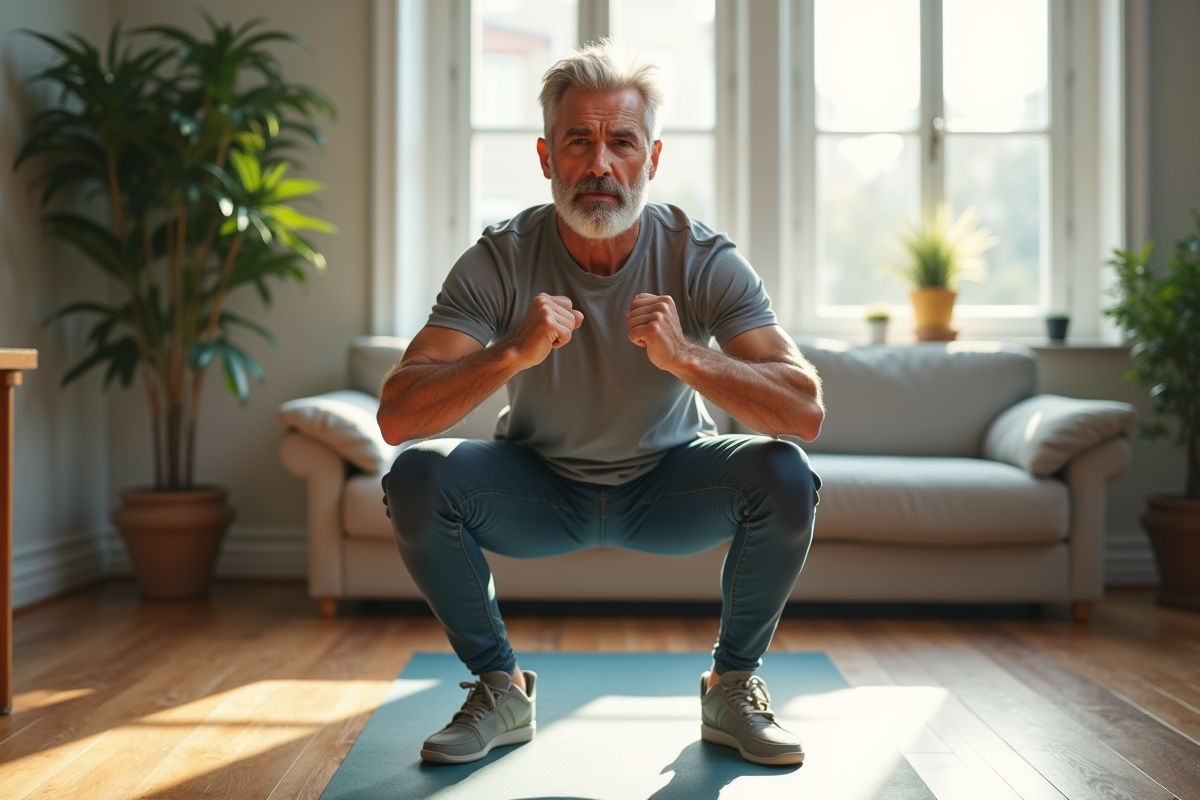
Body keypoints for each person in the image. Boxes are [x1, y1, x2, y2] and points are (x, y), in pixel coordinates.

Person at [377, 40, 824, 767]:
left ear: (651, 160)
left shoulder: (699, 256)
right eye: (578, 141)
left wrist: (688, 357)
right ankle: (499, 687)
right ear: (546, 156)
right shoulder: (502, 257)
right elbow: (398, 414)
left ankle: (733, 685)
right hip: (536, 486)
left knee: (785, 471)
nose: (600, 165)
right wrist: (510, 353)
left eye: (621, 142)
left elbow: (803, 410)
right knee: (418, 475)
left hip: (672, 483)